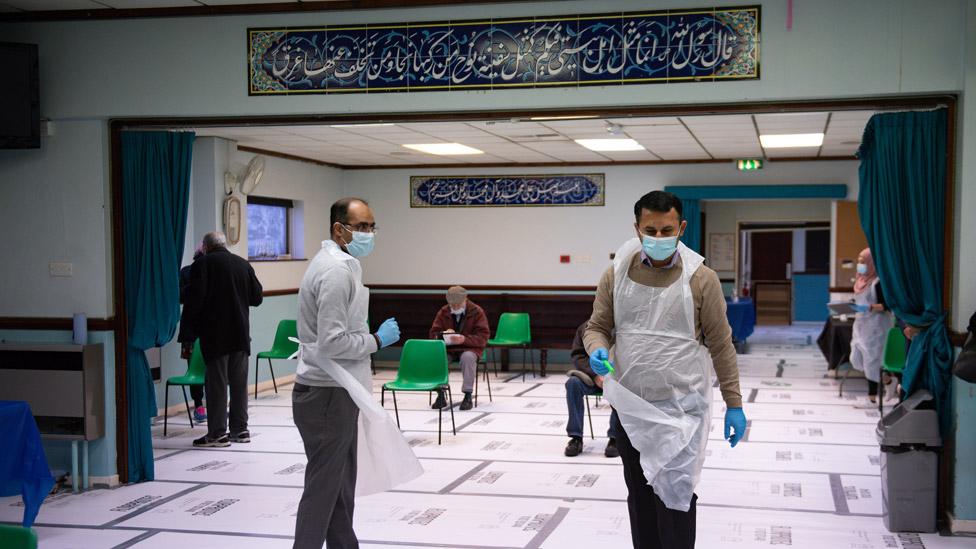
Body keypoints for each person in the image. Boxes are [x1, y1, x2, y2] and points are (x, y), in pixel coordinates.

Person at [584, 190, 746, 549]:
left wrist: (734, 404)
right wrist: (596, 349)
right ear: (637, 228)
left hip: (682, 410)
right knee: (640, 497)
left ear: (682, 227)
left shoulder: (702, 279)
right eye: (650, 230)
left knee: (675, 497)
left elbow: (721, 344)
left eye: (666, 230)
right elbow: (597, 327)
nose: (659, 238)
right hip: (631, 409)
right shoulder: (616, 275)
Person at [292, 197, 402, 549]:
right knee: (324, 489)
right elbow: (332, 342)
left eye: (372, 226)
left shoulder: (341, 263)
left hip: (338, 390)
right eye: (362, 227)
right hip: (327, 393)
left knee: (340, 485)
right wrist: (375, 340)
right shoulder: (336, 271)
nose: (369, 234)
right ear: (339, 229)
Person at [179, 231, 264, 448]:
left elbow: (194, 301)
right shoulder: (242, 264)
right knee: (238, 384)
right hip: (241, 334)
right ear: (224, 245)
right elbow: (257, 297)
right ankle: (240, 430)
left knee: (216, 385)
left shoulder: (203, 265)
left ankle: (217, 433)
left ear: (205, 248)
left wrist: (187, 335)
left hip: (216, 336)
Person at [428, 286, 490, 411]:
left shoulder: (477, 312)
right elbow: (433, 334)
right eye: (452, 305)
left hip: (470, 348)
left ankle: (467, 395)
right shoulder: (444, 311)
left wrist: (464, 339)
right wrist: (443, 335)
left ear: (465, 299)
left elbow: (483, 337)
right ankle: (440, 393)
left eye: (458, 304)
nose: (455, 307)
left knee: (467, 358)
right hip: (448, 349)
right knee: (439, 358)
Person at [564, 321, 619, 458]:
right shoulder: (584, 328)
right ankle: (576, 438)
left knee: (621, 388)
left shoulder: (622, 328)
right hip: (590, 377)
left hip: (615, 376)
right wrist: (595, 375)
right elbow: (578, 355)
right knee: (573, 383)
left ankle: (615, 438)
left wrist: (609, 376)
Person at [849, 248, 894, 403]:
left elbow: (887, 304)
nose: (860, 264)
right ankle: (887, 382)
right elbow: (858, 300)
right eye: (859, 260)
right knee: (857, 358)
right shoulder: (860, 280)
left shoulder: (878, 282)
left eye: (863, 261)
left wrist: (869, 308)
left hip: (877, 326)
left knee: (873, 361)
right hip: (861, 324)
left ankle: (874, 395)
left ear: (871, 263)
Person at [179, 246, 206, 422]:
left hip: (196, 329)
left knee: (200, 369)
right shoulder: (187, 273)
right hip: (194, 329)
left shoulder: (188, 272)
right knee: (196, 370)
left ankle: (201, 406)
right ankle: (199, 405)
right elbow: (180, 295)